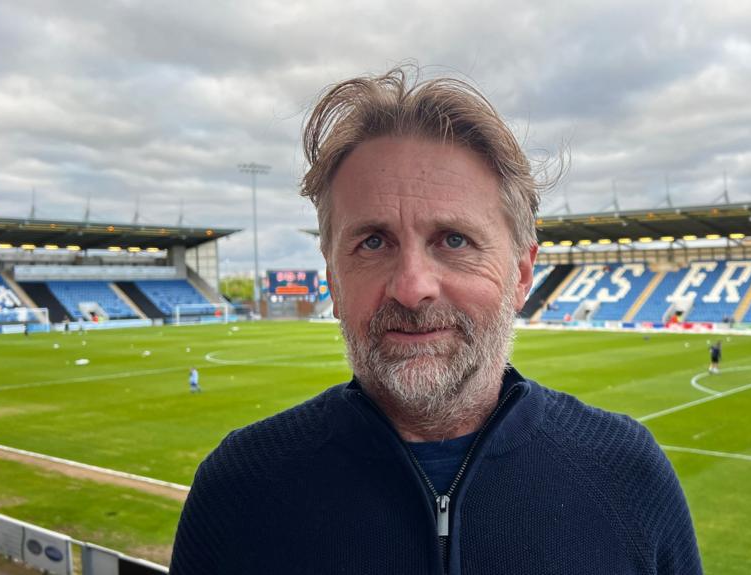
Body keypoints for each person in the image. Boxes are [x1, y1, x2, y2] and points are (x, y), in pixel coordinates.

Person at [170, 66, 701, 574]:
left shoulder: (629, 478)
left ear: (520, 275)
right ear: (332, 279)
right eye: (373, 242)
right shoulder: (238, 491)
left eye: (454, 240)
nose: (412, 286)